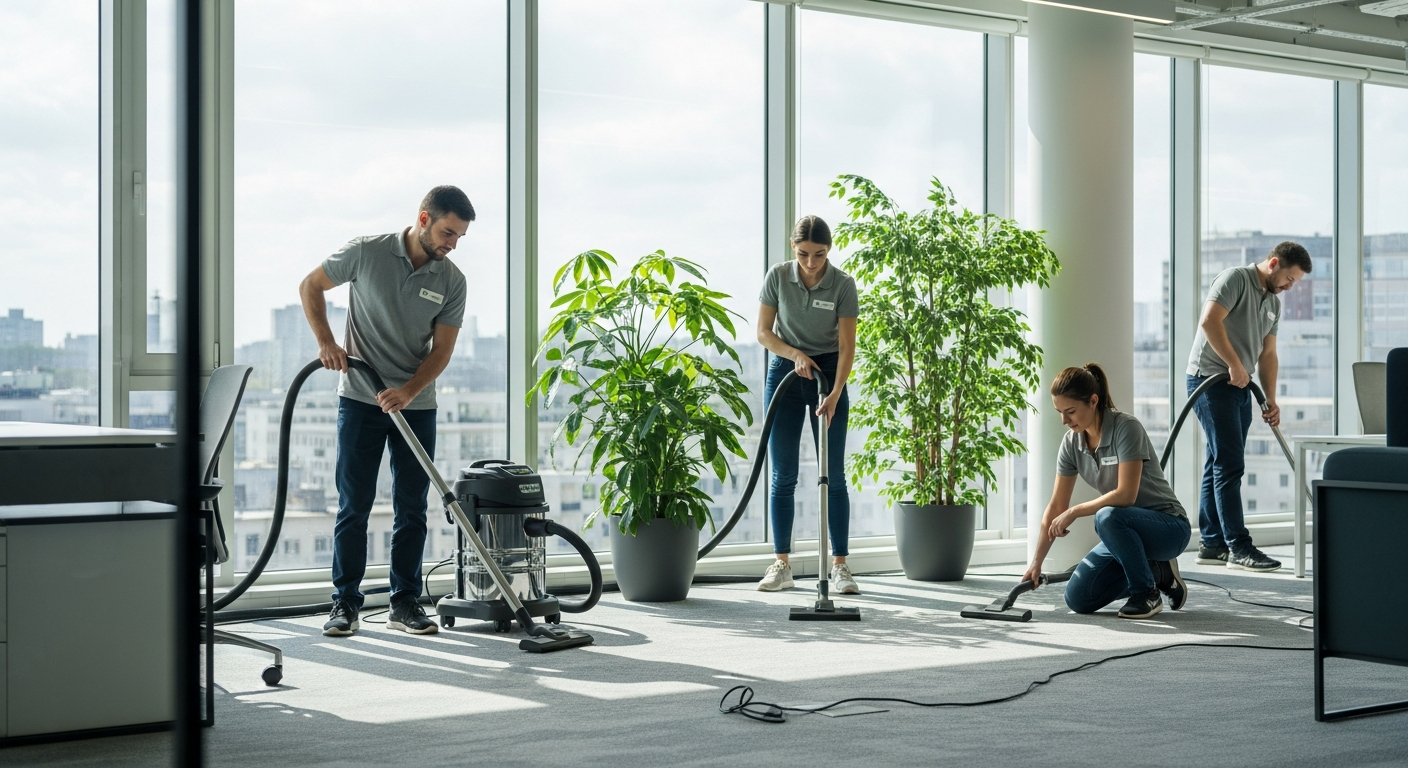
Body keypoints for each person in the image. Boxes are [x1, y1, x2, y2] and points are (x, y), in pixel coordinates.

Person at [300, 185, 472, 637]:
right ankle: (345, 603)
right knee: (353, 505)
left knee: (412, 507)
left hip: (415, 403)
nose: (452, 244)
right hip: (361, 396)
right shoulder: (366, 252)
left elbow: (442, 350)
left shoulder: (452, 281)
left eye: (459, 237)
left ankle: (405, 603)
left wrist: (409, 391)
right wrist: (326, 341)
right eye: (448, 233)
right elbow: (311, 285)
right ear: (423, 219)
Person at [1025, 364, 1191, 619]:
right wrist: (1036, 563)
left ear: (1093, 401)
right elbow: (1057, 505)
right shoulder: (1071, 443)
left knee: (1107, 516)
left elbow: (1126, 495)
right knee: (1079, 598)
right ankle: (1158, 573)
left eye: (1071, 411)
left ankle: (1146, 593)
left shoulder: (1126, 428)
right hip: (1123, 533)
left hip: (1168, 528)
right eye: (1060, 412)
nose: (1064, 421)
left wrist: (1075, 511)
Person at [1186, 241, 1312, 572]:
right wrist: (1233, 364)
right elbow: (1209, 322)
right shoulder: (1235, 279)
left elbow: (1268, 354)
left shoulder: (1273, 303)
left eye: (1295, 282)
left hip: (1240, 384)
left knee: (1218, 460)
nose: (1289, 286)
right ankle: (1239, 547)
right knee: (1230, 465)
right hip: (1209, 380)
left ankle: (1212, 544)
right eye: (1289, 278)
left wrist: (1270, 398)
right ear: (1274, 263)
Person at [754, 215, 861, 595]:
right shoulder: (778, 277)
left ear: (829, 250)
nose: (811, 262)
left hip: (829, 375)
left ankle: (840, 566)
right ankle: (781, 565)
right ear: (792, 247)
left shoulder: (843, 284)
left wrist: (835, 393)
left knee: (833, 475)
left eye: (819, 254)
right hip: (786, 370)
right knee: (783, 475)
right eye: (803, 254)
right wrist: (795, 354)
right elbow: (763, 332)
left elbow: (847, 346)